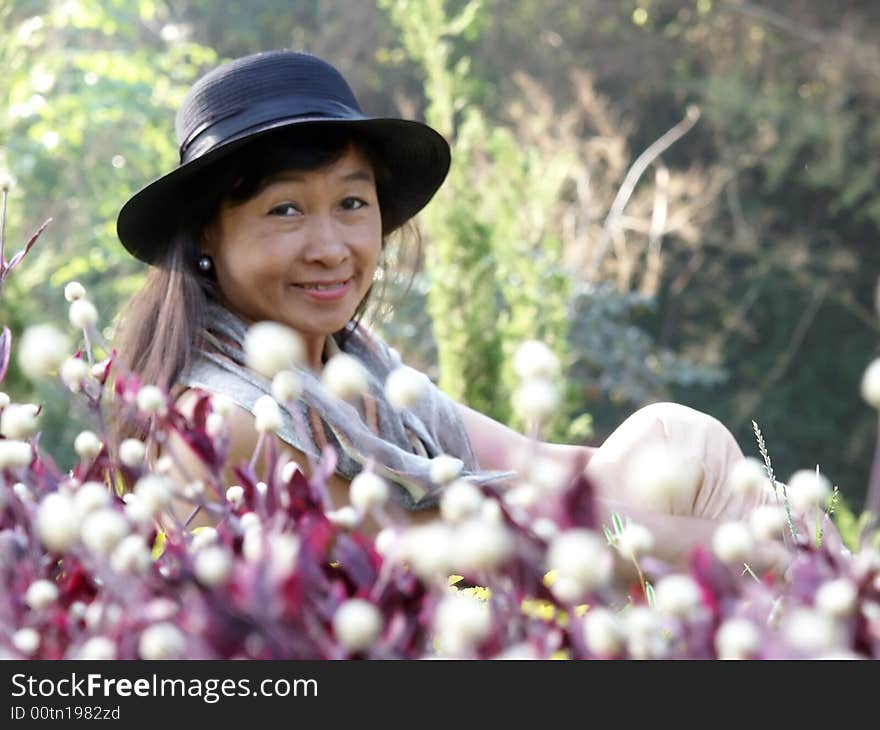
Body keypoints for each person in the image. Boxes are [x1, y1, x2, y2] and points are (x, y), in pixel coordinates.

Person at [109, 49, 814, 572]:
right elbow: (447, 548)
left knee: (678, 437)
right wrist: (741, 545)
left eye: (352, 203)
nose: (330, 248)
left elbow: (539, 466)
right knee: (761, 541)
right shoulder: (223, 416)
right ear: (208, 231)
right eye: (285, 209)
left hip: (498, 583)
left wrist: (753, 510)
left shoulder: (360, 366)